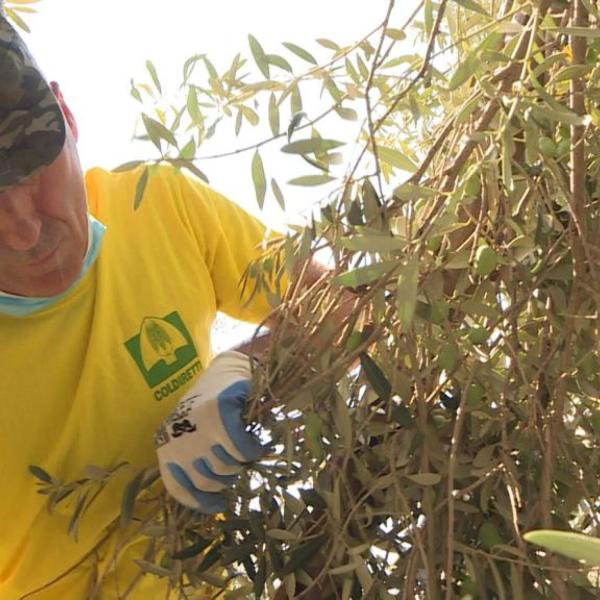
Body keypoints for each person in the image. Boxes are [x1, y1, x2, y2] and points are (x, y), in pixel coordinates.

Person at [0, 7, 336, 598]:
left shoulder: (160, 208)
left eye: (32, 167)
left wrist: (250, 366)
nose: (24, 231)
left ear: (69, 116)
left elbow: (347, 308)